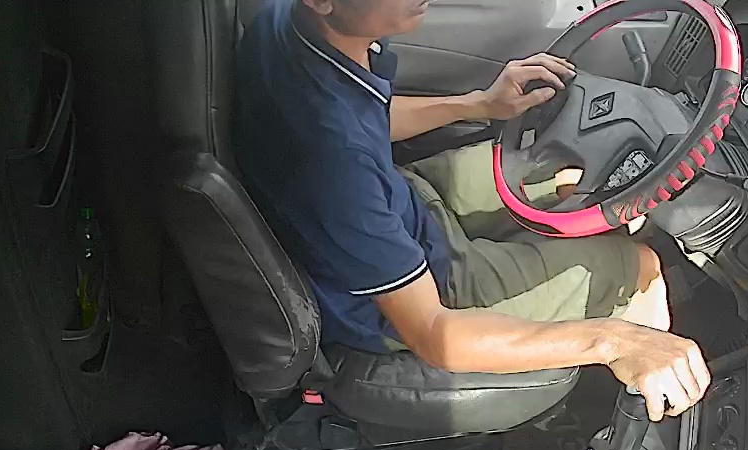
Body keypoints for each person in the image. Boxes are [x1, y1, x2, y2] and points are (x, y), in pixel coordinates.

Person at [234, 0, 711, 421]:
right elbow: (435, 334)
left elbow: (363, 118)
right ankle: (636, 424)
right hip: (422, 289)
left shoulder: (285, 22)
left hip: (404, 198)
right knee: (640, 267)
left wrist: (479, 104)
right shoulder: (336, 165)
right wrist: (614, 341)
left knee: (573, 177)